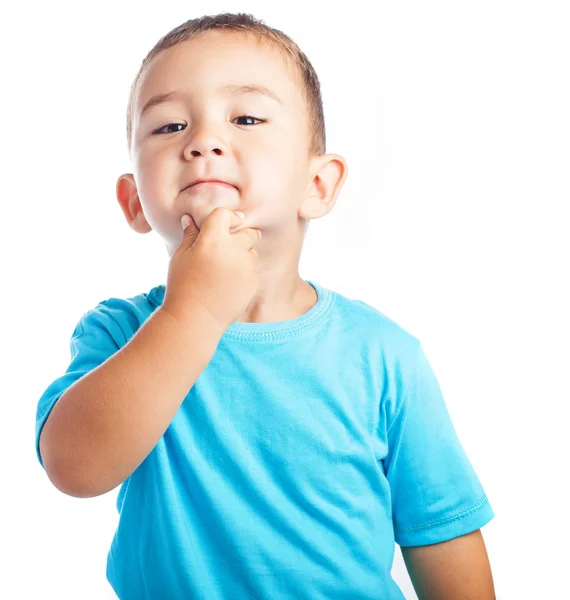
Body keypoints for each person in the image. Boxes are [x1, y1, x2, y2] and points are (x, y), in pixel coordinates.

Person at [35, 12, 496, 600]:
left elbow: (442, 537)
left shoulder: (383, 355)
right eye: (170, 125)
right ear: (132, 200)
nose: (202, 140)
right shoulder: (120, 333)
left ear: (318, 185)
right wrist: (192, 314)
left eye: (247, 118)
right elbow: (74, 469)